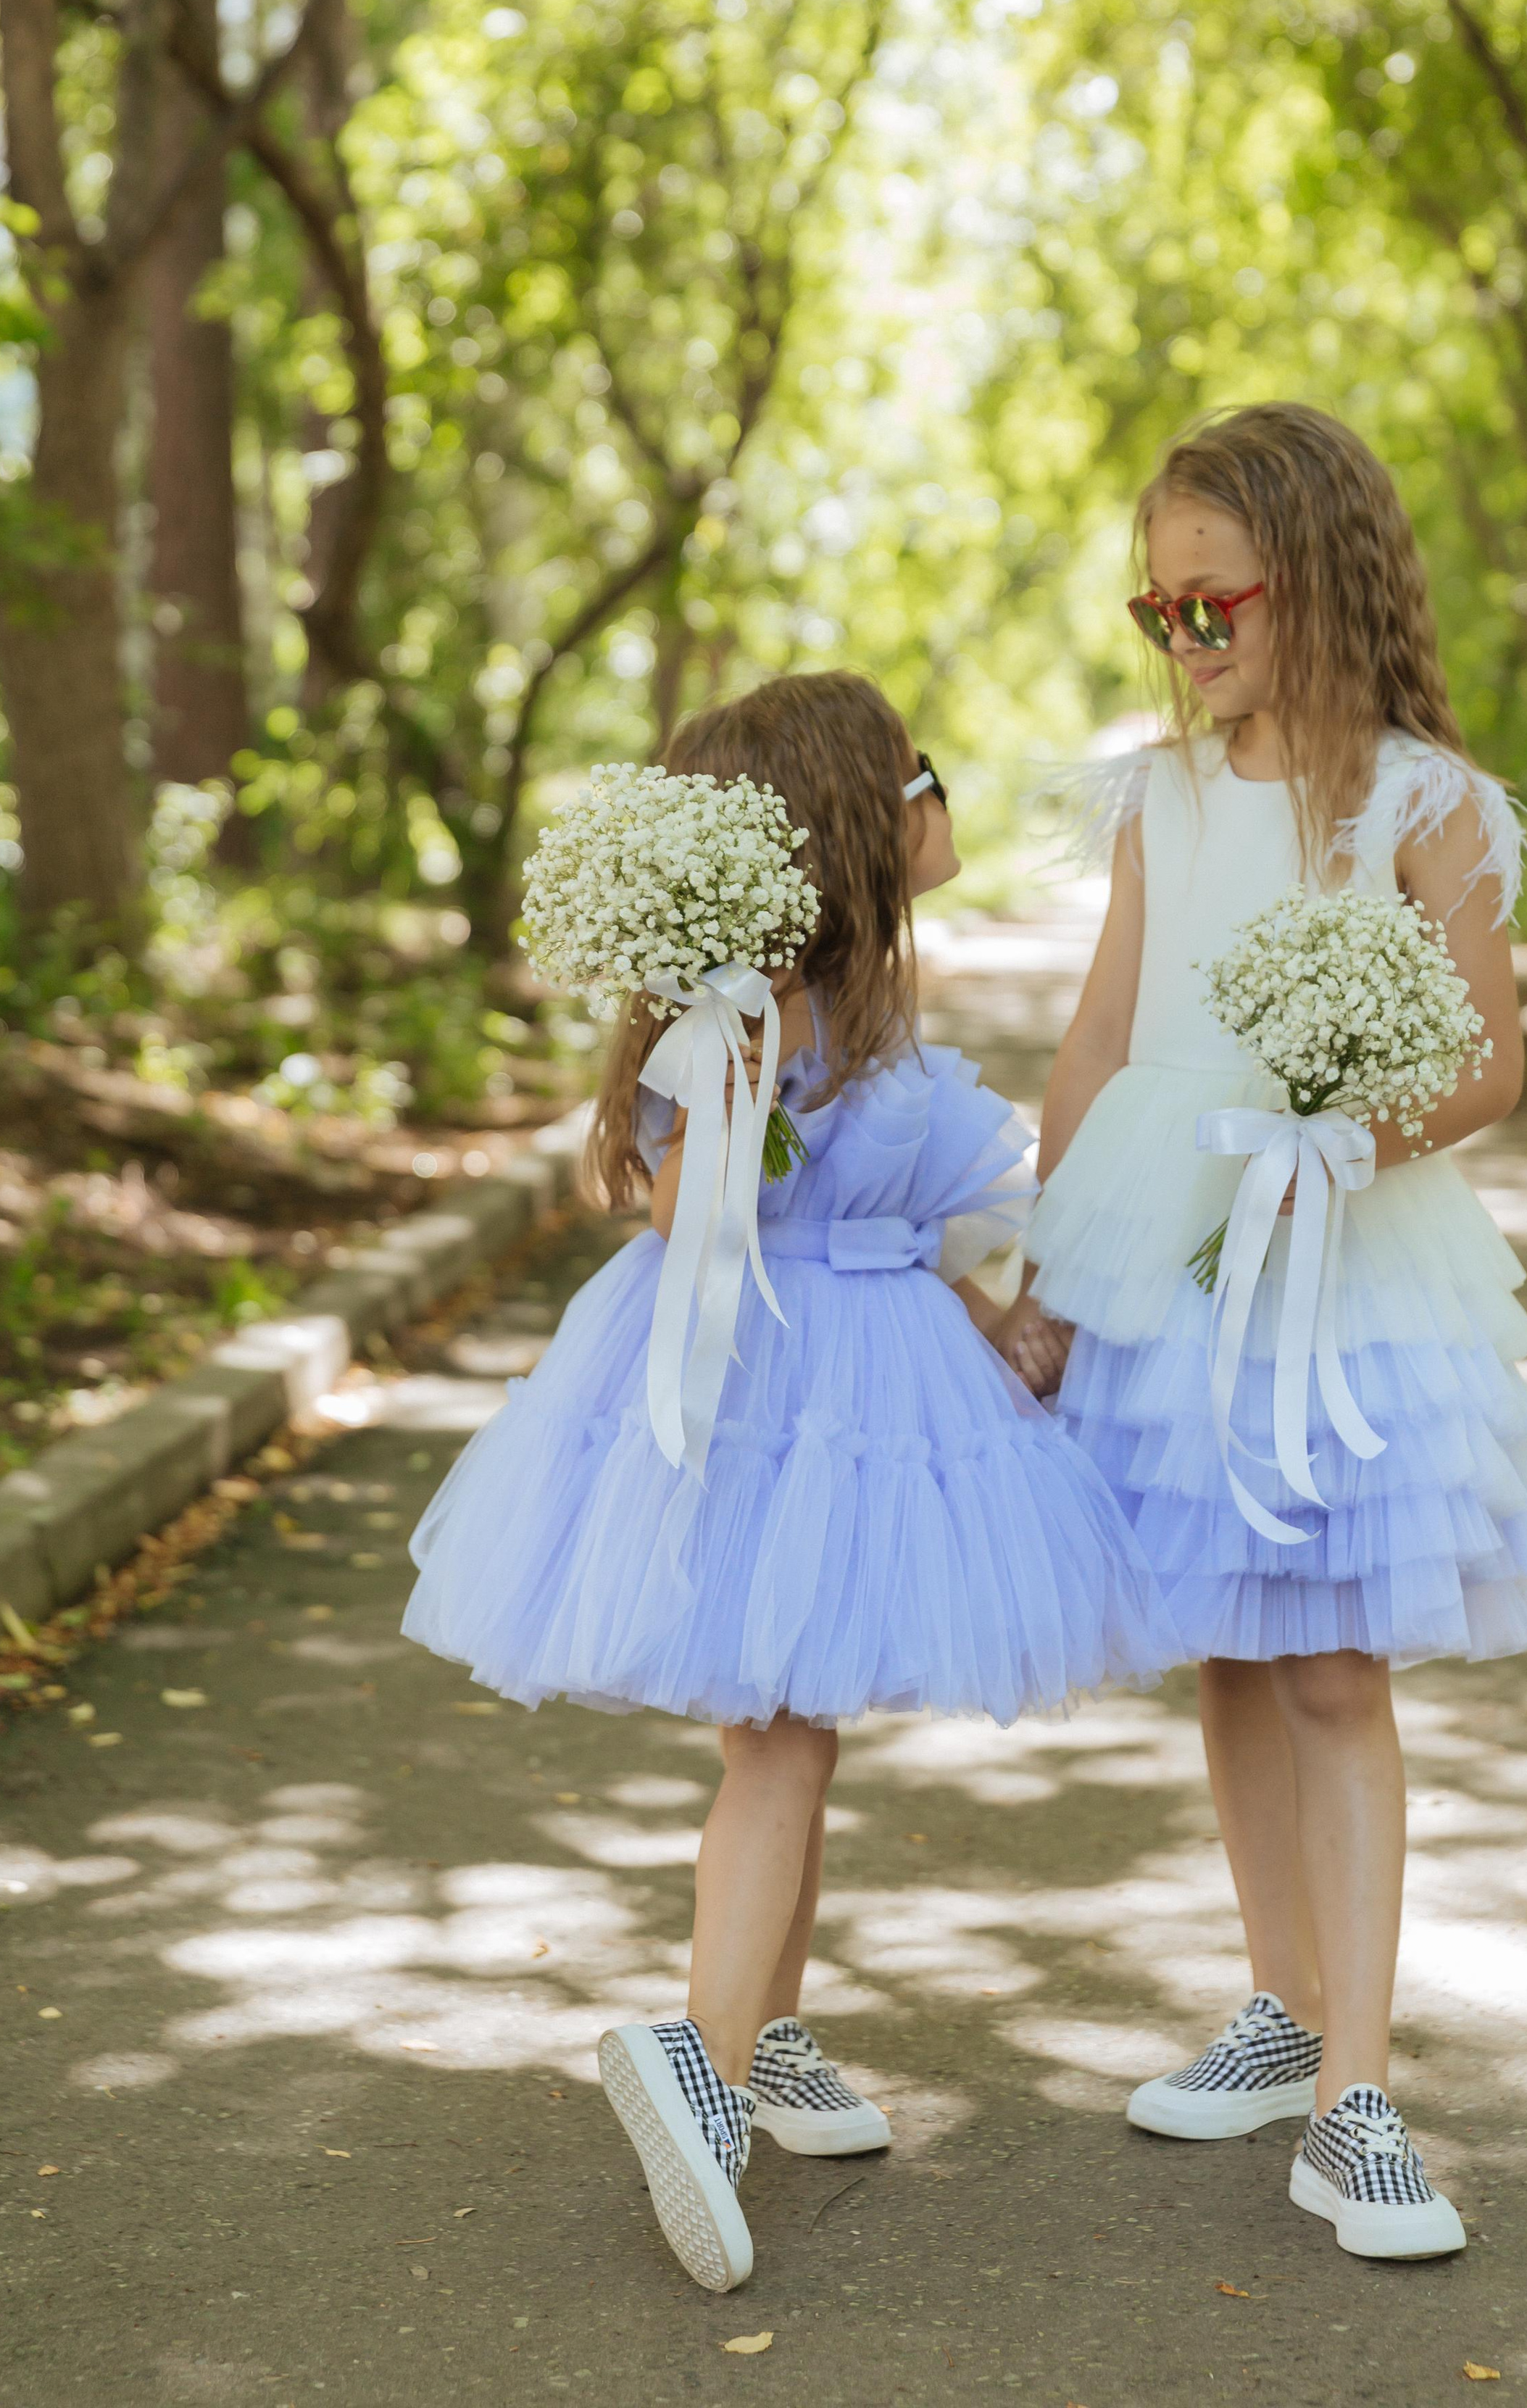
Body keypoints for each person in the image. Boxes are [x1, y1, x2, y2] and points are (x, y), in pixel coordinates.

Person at [402, 669, 1177, 2295]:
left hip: (869, 1366)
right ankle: (698, 2050)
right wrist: (717, 1038)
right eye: (926, 773)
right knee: (776, 1737)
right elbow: (696, 1204)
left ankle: (758, 2031)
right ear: (861, 821)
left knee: (798, 1723)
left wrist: (999, 1329)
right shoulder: (746, 1011)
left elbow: (901, 1219)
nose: (943, 797)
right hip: (769, 1384)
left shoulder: (870, 1003)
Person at [999, 404, 1527, 2262]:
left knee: (1330, 1666)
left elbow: (1488, 1057)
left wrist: (1342, 1135)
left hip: (1343, 1265)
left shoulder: (1422, 804)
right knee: (1227, 1651)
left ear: (1309, 577)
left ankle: (1358, 2096)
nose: (1184, 640)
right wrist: (1041, 1270)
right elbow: (1098, 1037)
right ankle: (1275, 2001)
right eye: (1153, 613)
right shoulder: (1159, 801)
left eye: (1209, 601)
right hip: (1161, 1256)